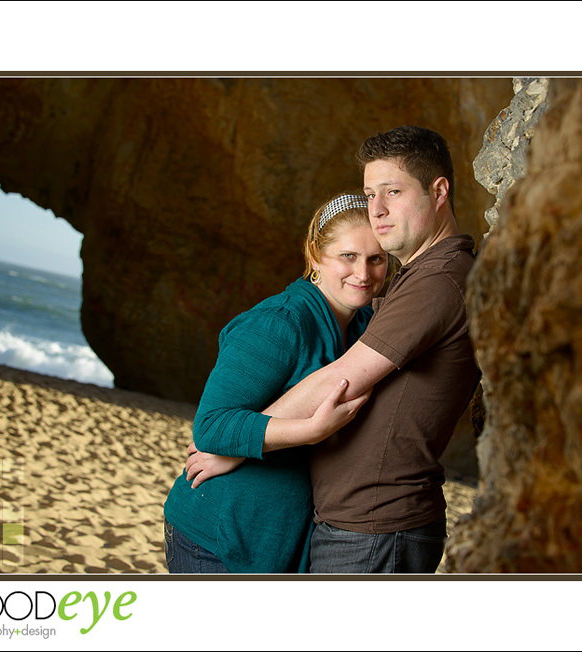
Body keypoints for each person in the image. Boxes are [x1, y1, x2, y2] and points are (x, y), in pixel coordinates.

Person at [193, 125, 479, 573]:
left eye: (393, 191)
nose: (378, 209)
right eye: (370, 194)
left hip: (376, 528)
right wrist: (238, 436)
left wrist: (238, 444)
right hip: (350, 527)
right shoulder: (406, 282)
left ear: (438, 191)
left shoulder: (438, 281)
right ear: (315, 256)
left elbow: (340, 379)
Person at [162, 191, 389, 573]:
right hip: (216, 537)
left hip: (278, 538)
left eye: (376, 259)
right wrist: (310, 430)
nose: (363, 274)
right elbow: (211, 427)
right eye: (347, 256)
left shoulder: (365, 328)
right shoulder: (280, 323)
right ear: (316, 255)